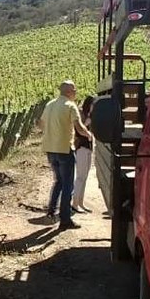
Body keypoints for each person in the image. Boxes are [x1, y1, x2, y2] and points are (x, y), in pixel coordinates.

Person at [39, 80, 92, 230]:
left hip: (50, 149)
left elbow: (41, 124)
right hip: (64, 149)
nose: (75, 93)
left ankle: (51, 211)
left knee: (59, 181)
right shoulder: (70, 106)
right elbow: (79, 127)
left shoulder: (50, 104)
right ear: (69, 92)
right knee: (68, 185)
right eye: (74, 90)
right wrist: (88, 135)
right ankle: (65, 219)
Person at [71, 94, 95, 213]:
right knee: (80, 176)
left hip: (88, 147)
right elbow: (79, 129)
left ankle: (80, 202)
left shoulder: (91, 115)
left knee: (84, 177)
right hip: (81, 147)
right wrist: (87, 122)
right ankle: (75, 203)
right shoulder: (81, 114)